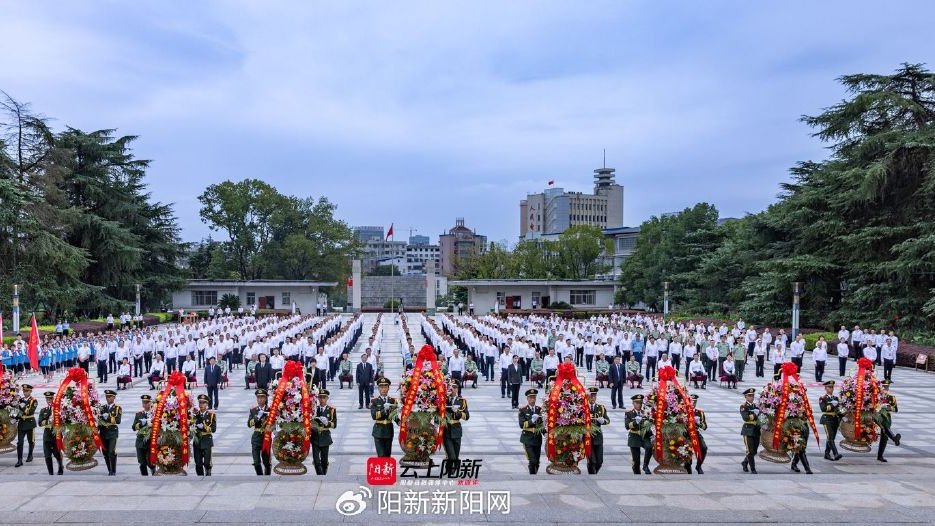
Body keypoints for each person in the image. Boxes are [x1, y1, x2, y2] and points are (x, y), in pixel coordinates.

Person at [442, 380, 470, 467]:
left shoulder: (462, 401)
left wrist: (458, 412)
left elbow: (467, 417)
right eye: (450, 387)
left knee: (456, 455)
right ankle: (451, 467)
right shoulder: (443, 399)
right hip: (446, 429)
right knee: (451, 455)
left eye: (454, 387)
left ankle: (450, 468)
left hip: (456, 429)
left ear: (457, 389)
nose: (452, 389)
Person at [518, 388, 544, 475]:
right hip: (527, 438)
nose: (532, 399)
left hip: (537, 438)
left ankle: (534, 473)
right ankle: (532, 475)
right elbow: (521, 425)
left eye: (534, 397)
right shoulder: (523, 410)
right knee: (532, 460)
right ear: (527, 399)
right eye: (531, 398)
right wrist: (531, 421)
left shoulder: (539, 409)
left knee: (537, 461)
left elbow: (541, 424)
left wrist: (546, 433)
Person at [625, 394, 653, 475]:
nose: (639, 405)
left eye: (640, 403)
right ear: (633, 403)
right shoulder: (629, 413)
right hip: (634, 436)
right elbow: (627, 426)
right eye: (637, 403)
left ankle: (645, 466)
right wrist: (635, 422)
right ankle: (636, 472)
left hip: (644, 436)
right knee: (636, 460)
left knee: (649, 447)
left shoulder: (645, 412)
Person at [312, 389, 337, 475]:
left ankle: (323, 474)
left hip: (325, 437)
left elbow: (334, 424)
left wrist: (327, 423)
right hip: (315, 437)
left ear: (327, 398)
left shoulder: (331, 410)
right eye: (320, 397)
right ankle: (321, 476)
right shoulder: (315, 409)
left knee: (324, 461)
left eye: (324, 398)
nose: (322, 400)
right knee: (316, 461)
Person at [370, 378, 397, 457]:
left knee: (388, 455)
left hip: (389, 430)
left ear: (388, 388)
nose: (384, 389)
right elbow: (374, 416)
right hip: (378, 431)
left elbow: (394, 416)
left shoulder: (393, 401)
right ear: (378, 389)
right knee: (381, 455)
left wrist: (400, 422)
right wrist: (384, 410)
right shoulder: (374, 401)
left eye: (385, 387)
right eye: (381, 387)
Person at [38, 391, 63, 475]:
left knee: (57, 454)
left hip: (56, 435)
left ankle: (60, 467)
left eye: (50, 398)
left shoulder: (58, 409)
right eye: (47, 399)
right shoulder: (43, 410)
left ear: (53, 398)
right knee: (47, 455)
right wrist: (48, 421)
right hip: (47, 435)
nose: (49, 400)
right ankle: (50, 472)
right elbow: (40, 423)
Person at [876, 379, 901, 462]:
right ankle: (894, 438)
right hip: (876, 416)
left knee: (884, 436)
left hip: (886, 416)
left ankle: (880, 456)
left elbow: (896, 409)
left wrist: (889, 408)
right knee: (884, 426)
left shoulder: (891, 397)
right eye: (884, 386)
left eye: (887, 387)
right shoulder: (876, 394)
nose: (885, 388)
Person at [98, 389, 122, 476]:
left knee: (111, 451)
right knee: (105, 452)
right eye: (107, 397)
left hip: (112, 432)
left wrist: (108, 417)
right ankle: (109, 469)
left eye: (109, 397)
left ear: (113, 397)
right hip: (103, 432)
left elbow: (118, 420)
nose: (108, 398)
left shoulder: (117, 408)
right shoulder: (102, 408)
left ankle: (113, 470)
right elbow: (98, 419)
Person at [248, 389, 272, 475]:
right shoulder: (253, 410)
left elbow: (275, 423)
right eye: (258, 397)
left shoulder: (270, 410)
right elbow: (249, 424)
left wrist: (273, 430)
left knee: (266, 462)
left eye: (262, 397)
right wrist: (257, 417)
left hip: (266, 437)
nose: (260, 399)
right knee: (256, 462)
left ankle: (267, 477)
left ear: (265, 398)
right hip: (256, 437)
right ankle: (260, 477)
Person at [192, 394, 217, 476]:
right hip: (197, 440)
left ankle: (208, 475)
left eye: (203, 403)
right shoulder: (195, 414)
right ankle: (200, 477)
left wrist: (204, 427)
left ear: (207, 404)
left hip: (206, 440)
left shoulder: (211, 415)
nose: (201, 405)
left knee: (207, 463)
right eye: (200, 402)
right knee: (198, 463)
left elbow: (213, 429)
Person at [818, 380, 843, 461]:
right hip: (827, 419)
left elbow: (839, 409)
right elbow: (823, 408)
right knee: (830, 437)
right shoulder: (823, 398)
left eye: (832, 387)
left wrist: (843, 416)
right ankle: (836, 454)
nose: (831, 389)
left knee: (831, 437)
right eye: (829, 387)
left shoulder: (836, 398)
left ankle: (827, 454)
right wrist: (832, 405)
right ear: (825, 388)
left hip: (835, 419)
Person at [586, 386, 609, 474]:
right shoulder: (584, 407)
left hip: (598, 437)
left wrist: (603, 421)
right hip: (588, 437)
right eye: (591, 395)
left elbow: (607, 420)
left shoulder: (601, 408)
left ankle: (593, 472)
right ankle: (592, 475)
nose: (592, 398)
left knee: (599, 461)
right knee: (592, 461)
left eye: (594, 395)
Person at [131, 394, 155, 476]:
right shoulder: (139, 414)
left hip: (150, 440)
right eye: (144, 402)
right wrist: (140, 424)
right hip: (140, 441)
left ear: (150, 403)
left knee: (150, 461)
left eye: (147, 402)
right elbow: (133, 427)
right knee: (142, 462)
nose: (145, 404)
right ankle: (144, 477)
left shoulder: (154, 413)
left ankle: (153, 471)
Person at [14, 384, 37, 467]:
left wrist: (21, 407)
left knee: (31, 441)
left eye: (27, 391)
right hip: (21, 424)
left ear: (30, 391)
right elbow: (17, 411)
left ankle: (30, 455)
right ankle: (19, 460)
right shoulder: (21, 400)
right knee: (20, 442)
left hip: (30, 423)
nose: (25, 392)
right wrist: (15, 417)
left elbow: (30, 411)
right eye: (24, 391)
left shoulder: (33, 400)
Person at [740, 387, 759, 474]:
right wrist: (755, 415)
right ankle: (753, 469)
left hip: (756, 430)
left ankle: (745, 462)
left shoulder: (756, 406)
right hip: (748, 430)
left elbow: (761, 416)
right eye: (749, 396)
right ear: (746, 397)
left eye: (752, 396)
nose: (751, 397)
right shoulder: (743, 406)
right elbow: (746, 417)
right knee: (750, 450)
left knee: (754, 450)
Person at [688, 394, 707, 474]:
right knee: (686, 449)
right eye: (691, 401)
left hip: (696, 433)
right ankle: (688, 465)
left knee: (704, 447)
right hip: (686, 434)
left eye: (695, 402)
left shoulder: (699, 412)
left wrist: (699, 424)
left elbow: (705, 426)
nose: (693, 403)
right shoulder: (684, 411)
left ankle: (699, 465)